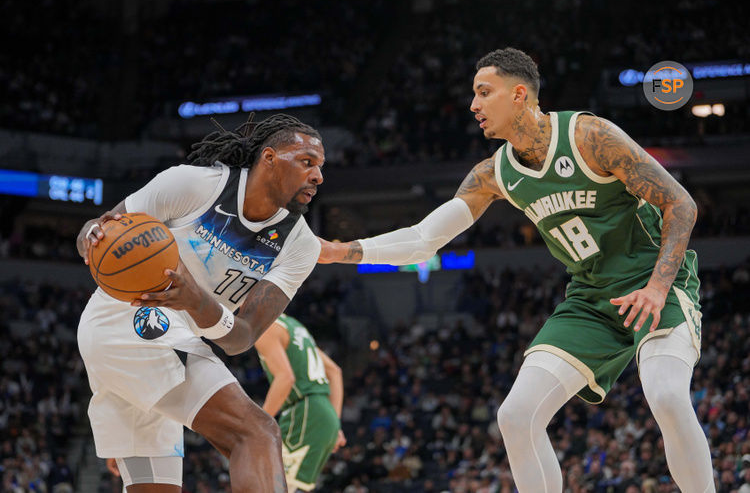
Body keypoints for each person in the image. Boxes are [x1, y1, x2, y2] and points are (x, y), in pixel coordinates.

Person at [317, 48, 714, 492]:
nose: (473, 105)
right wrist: (342, 251)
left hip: (653, 284)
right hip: (589, 300)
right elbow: (424, 239)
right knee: (516, 415)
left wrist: (659, 287)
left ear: (520, 94)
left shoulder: (589, 136)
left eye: (484, 93)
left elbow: (680, 202)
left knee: (666, 395)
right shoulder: (494, 174)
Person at [76, 114, 325, 492]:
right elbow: (102, 229)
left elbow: (240, 338)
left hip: (165, 344)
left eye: (321, 167)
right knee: (257, 433)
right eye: (307, 162)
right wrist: (89, 235)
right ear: (269, 158)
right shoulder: (193, 184)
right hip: (125, 321)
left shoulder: (300, 246)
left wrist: (196, 302)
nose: (318, 176)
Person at [255, 314, 346, 492]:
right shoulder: (295, 326)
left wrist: (258, 423)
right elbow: (335, 371)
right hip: (322, 412)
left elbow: (285, 378)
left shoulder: (267, 327)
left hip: (305, 412)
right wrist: (336, 426)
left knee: (270, 486)